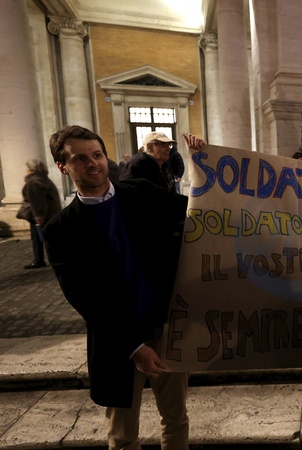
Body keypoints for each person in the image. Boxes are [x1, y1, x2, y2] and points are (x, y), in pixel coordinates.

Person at [43, 125, 206, 450]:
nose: (93, 163)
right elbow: (84, 297)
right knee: (122, 436)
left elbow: (197, 211)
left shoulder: (140, 193)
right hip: (116, 342)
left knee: (176, 420)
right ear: (63, 166)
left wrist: (203, 168)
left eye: (97, 155)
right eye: (80, 158)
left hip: (164, 330)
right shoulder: (60, 229)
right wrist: (134, 346)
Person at [16, 159, 61, 269]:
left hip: (42, 215)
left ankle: (39, 260)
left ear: (31, 169)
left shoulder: (33, 182)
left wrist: (38, 216)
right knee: (50, 238)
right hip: (51, 213)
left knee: (37, 238)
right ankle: (52, 258)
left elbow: (36, 201)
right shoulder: (44, 180)